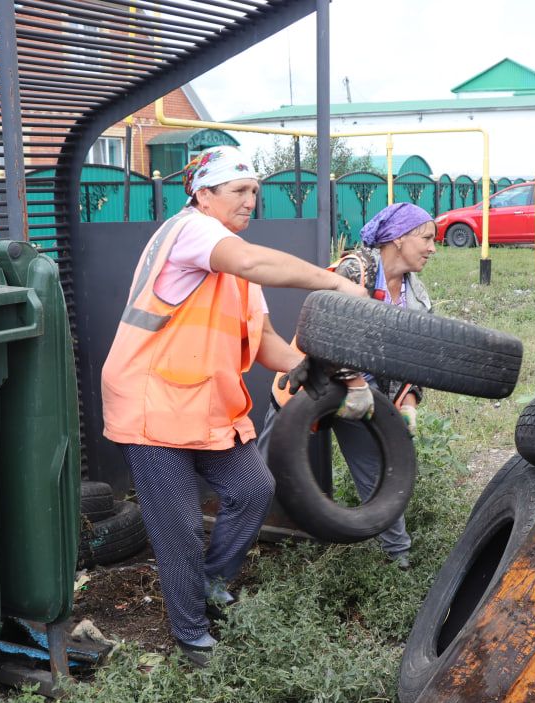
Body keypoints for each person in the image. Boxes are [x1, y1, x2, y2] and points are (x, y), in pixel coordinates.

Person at [100, 146, 369, 667]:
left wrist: (312, 369)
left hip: (199, 402)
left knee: (253, 488)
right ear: (204, 195)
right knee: (176, 523)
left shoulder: (231, 260)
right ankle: (192, 637)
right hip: (151, 400)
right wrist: (335, 280)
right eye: (240, 191)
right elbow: (250, 260)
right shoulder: (191, 231)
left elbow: (264, 339)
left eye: (254, 193)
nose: (251, 202)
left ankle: (207, 582)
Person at [259, 202, 437, 568]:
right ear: (399, 238)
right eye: (427, 238)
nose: (433, 247)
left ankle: (399, 560)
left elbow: (418, 360)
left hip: (366, 398)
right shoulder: (354, 270)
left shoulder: (416, 296)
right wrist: (353, 382)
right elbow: (327, 334)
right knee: (261, 473)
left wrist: (407, 403)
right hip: (310, 384)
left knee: (379, 476)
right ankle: (241, 546)